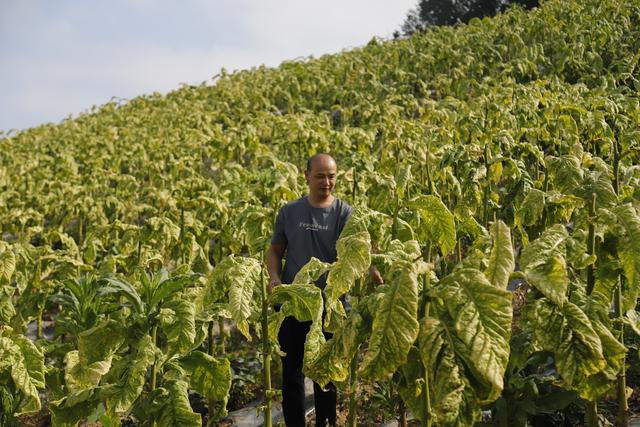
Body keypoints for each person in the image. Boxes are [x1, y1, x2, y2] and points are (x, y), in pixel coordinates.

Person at [266, 153, 382, 426]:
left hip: (330, 306)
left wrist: (373, 272)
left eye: (331, 176)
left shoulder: (345, 213)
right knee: (292, 374)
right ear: (306, 176)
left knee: (327, 374)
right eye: (320, 176)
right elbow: (275, 251)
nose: (326, 182)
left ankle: (327, 423)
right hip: (292, 304)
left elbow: (360, 252)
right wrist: (273, 277)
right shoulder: (289, 212)